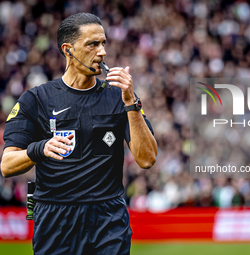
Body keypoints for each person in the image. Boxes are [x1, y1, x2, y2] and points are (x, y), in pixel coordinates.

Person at [0, 13, 157, 255]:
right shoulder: (36, 99)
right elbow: (7, 166)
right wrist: (39, 149)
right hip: (55, 219)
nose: (102, 51)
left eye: (103, 43)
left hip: (108, 219)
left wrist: (131, 102)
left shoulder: (119, 97)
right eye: (93, 44)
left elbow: (147, 159)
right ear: (68, 50)